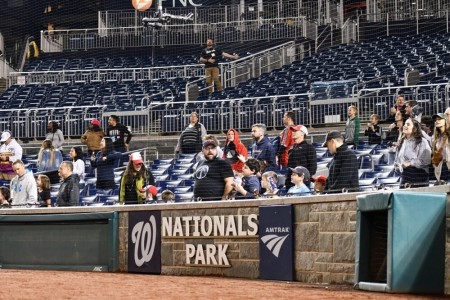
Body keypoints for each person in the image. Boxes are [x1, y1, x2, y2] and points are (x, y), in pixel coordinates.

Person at [394, 118, 431, 188]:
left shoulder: (422, 142)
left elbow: (426, 160)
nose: (405, 126)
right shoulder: (402, 141)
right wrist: (397, 166)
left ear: (415, 128)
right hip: (405, 176)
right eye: (404, 124)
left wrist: (410, 163)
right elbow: (397, 159)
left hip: (418, 177)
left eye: (408, 124)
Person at [285, 124, 317, 189]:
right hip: (290, 183)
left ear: (302, 133)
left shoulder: (309, 148)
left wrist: (303, 179)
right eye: (293, 131)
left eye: (295, 131)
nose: (293, 132)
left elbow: (313, 168)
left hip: (302, 183)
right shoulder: (291, 148)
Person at [431, 113, 450, 183]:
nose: (436, 121)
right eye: (435, 120)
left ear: (446, 120)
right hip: (440, 168)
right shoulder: (435, 138)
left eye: (439, 119)